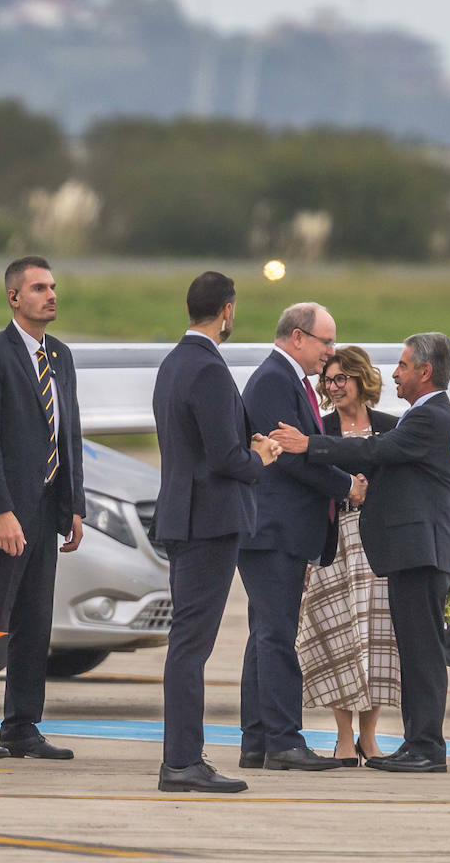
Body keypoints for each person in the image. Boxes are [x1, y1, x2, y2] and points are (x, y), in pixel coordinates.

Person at [272, 332, 450, 774]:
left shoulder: (428, 417)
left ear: (424, 372)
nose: (395, 372)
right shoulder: (424, 415)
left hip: (421, 551)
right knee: (415, 652)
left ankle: (427, 748)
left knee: (422, 653)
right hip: (414, 552)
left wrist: (308, 445)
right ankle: (419, 744)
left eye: (402, 365)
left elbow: (374, 448)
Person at [0, 257, 85, 762]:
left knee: (35, 623)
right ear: (14, 297)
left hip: (47, 510)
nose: (50, 295)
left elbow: (68, 432)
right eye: (38, 288)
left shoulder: (62, 357)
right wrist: (1, 510)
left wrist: (74, 505)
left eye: (52, 286)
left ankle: (22, 726)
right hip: (3, 515)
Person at [153, 271, 279, 793]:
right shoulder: (206, 369)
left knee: (186, 640)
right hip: (208, 520)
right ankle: (182, 761)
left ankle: (183, 757)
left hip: (182, 514)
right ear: (227, 311)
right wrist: (261, 455)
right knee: (191, 643)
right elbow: (225, 458)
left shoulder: (173, 363)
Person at [236, 304, 360, 773]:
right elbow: (286, 457)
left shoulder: (290, 381)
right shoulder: (274, 380)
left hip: (278, 532)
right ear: (296, 337)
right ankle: (283, 741)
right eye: (326, 342)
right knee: (276, 637)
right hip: (273, 532)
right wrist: (346, 486)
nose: (331, 352)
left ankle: (257, 741)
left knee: (263, 637)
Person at [295, 347, 400, 765]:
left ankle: (369, 737)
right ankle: (342, 736)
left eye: (341, 379)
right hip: (332, 543)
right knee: (337, 637)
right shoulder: (320, 429)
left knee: (376, 640)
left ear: (360, 380)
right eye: (329, 380)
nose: (334, 387)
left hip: (378, 545)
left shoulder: (389, 428)